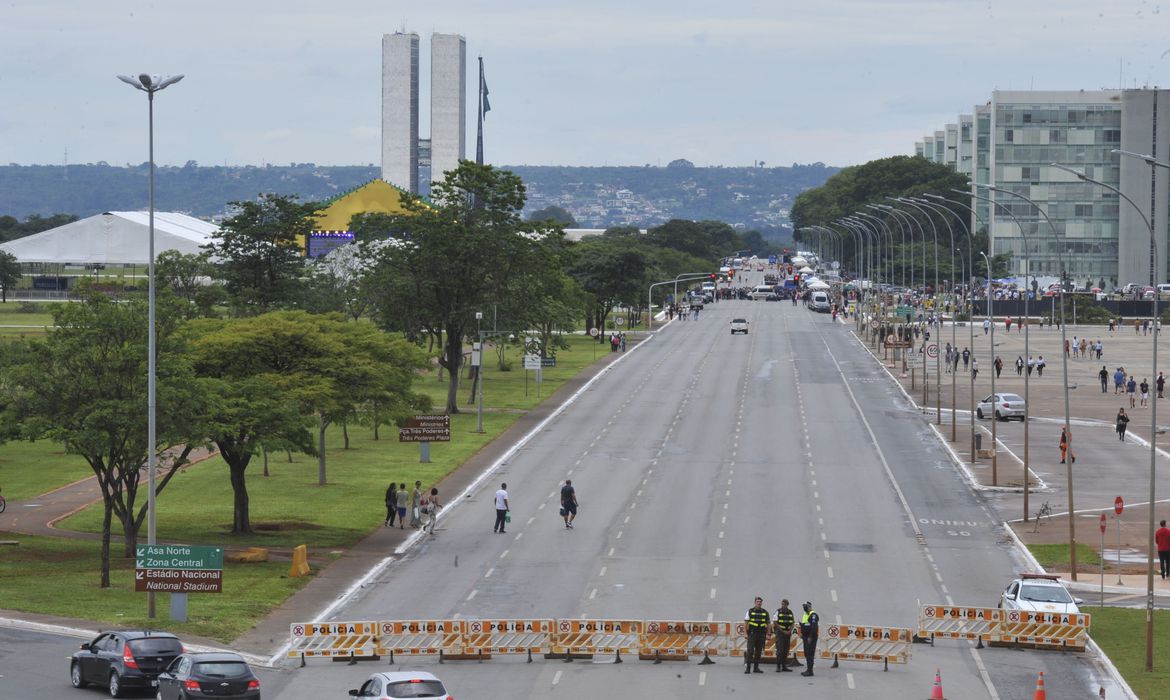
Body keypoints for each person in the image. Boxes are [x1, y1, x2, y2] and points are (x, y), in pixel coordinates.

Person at [743, 596, 770, 674]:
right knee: (750, 651)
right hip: (752, 634)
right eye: (757, 601)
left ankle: (756, 668)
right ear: (755, 602)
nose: (759, 603)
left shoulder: (765, 612)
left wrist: (768, 634)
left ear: (762, 603)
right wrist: (745, 633)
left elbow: (768, 623)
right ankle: (748, 668)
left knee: (758, 652)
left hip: (761, 634)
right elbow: (745, 623)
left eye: (760, 602)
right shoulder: (750, 611)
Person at [773, 599, 796, 672]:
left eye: (784, 604)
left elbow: (792, 623)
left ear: (787, 605)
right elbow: (775, 622)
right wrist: (782, 631)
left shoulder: (790, 612)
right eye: (782, 604)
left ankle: (784, 666)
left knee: (786, 650)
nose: (783, 605)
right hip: (780, 633)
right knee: (780, 650)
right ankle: (778, 666)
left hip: (787, 633)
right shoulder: (778, 611)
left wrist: (789, 631)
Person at [799, 601, 819, 677]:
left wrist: (810, 637)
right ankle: (808, 669)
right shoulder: (806, 614)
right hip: (805, 636)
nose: (804, 608)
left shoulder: (813, 615)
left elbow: (814, 627)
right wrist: (802, 632)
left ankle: (810, 671)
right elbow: (805, 624)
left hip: (811, 637)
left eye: (805, 607)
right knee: (807, 653)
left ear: (809, 607)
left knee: (810, 653)